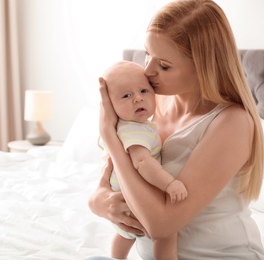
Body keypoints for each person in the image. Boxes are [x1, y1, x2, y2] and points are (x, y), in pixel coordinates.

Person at [88, 0, 264, 259]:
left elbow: (161, 225)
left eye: (164, 65)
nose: (147, 71)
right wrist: (101, 203)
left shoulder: (232, 122)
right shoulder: (148, 105)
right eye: (148, 54)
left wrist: (112, 140)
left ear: (203, 66)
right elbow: (107, 184)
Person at [99, 61, 187, 260]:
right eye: (126, 95)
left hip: (122, 197)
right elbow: (142, 163)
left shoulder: (133, 126)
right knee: (166, 235)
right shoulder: (134, 129)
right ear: (110, 106)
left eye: (144, 91)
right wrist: (169, 183)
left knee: (125, 236)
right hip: (132, 198)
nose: (137, 99)